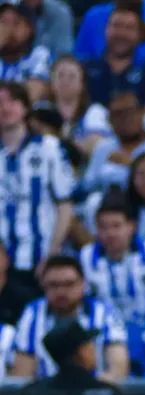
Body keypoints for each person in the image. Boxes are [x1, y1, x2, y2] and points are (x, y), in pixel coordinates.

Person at [79, 188, 145, 346]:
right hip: (103, 341)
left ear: (132, 226)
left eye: (116, 226)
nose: (110, 233)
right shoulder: (86, 257)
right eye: (103, 227)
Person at [0, 80, 74, 289]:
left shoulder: (49, 148)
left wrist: (52, 253)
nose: (5, 108)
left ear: (25, 107)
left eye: (12, 101)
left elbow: (65, 206)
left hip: (41, 259)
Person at [11, 255, 129, 380]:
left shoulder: (104, 312)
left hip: (95, 394)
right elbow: (22, 374)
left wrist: (90, 391)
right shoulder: (33, 313)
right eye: (54, 285)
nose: (61, 291)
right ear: (43, 286)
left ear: (83, 284)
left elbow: (118, 370)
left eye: (69, 284)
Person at [83, 2, 145, 106]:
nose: (121, 33)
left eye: (129, 28)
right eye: (116, 26)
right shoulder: (86, 69)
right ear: (105, 30)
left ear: (139, 34)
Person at [19, 319, 120, 395]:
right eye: (89, 344)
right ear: (82, 352)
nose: (93, 349)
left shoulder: (31, 393)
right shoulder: (107, 393)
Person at [81, 90, 145, 194]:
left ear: (142, 113)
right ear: (110, 121)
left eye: (130, 112)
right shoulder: (103, 148)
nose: (125, 119)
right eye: (118, 114)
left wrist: (132, 165)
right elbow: (86, 187)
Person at [50, 55, 112, 160]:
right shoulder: (41, 110)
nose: (65, 81)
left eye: (72, 76)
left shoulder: (95, 111)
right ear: (51, 83)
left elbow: (97, 147)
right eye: (60, 75)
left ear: (82, 84)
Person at [0, 0, 52, 102]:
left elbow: (29, 97)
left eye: (15, 23)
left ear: (30, 29)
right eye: (3, 22)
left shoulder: (39, 55)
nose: (8, 30)